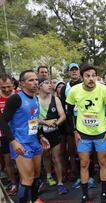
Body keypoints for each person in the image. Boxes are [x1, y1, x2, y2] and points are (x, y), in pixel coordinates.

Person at [66, 64, 106, 203]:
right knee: (84, 164)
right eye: (87, 76)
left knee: (103, 162)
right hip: (83, 133)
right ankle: (85, 194)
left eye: (93, 76)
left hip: (101, 133)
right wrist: (74, 130)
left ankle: (104, 193)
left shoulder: (104, 89)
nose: (91, 79)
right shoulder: (74, 91)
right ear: (82, 77)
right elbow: (69, 112)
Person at [0, 70, 50, 203]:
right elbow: (3, 122)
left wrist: (40, 136)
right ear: (22, 84)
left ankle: (35, 200)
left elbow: (32, 120)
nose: (35, 83)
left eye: (35, 80)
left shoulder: (35, 98)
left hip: (33, 141)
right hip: (21, 143)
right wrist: (13, 142)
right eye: (31, 80)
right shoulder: (15, 99)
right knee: (27, 179)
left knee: (36, 176)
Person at [36, 77, 67, 194]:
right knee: (45, 156)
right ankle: (48, 175)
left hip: (54, 132)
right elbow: (31, 119)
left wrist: (55, 123)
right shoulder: (34, 100)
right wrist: (44, 122)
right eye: (46, 83)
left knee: (56, 157)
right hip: (40, 134)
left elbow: (62, 115)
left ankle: (60, 183)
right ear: (39, 87)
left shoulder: (55, 99)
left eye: (50, 83)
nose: (49, 85)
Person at [59, 63, 83, 185]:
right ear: (69, 72)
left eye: (76, 70)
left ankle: (89, 172)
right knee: (72, 149)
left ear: (79, 72)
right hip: (71, 119)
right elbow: (63, 106)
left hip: (84, 118)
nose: (74, 72)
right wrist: (69, 124)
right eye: (71, 70)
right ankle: (74, 172)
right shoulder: (65, 87)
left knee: (86, 148)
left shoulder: (84, 84)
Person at [0, 73, 18, 196]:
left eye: (8, 87)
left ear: (13, 84)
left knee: (22, 159)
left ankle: (25, 183)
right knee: (8, 161)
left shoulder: (19, 95)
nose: (6, 89)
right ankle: (14, 183)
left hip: (20, 134)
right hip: (4, 135)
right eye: (3, 88)